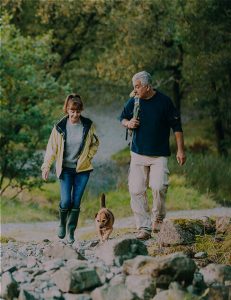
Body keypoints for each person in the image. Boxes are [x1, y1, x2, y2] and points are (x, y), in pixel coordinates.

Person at [120, 71, 186, 240]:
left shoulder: (164, 102)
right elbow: (122, 118)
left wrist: (180, 150)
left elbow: (177, 127)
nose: (134, 90)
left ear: (147, 86)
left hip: (159, 155)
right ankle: (143, 226)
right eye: (134, 87)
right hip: (137, 153)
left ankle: (158, 218)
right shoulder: (134, 101)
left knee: (159, 186)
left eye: (137, 87)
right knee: (136, 190)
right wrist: (129, 123)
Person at [41, 94, 99, 243]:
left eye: (78, 111)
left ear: (81, 111)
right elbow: (51, 149)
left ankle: (71, 230)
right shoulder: (59, 127)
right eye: (72, 111)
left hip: (82, 170)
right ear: (67, 109)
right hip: (65, 170)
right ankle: (62, 223)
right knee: (66, 201)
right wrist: (46, 166)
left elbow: (95, 143)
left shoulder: (88, 125)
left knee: (76, 201)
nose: (75, 114)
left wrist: (88, 156)